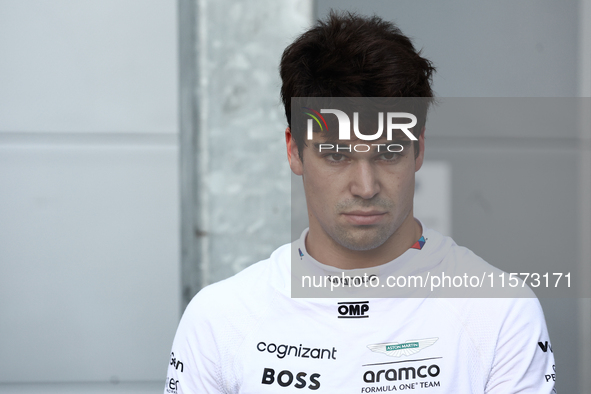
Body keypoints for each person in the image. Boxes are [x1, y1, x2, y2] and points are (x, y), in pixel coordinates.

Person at [164, 12, 556, 393]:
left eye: (388, 153)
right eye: (336, 155)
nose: (366, 187)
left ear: (418, 150)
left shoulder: (500, 312)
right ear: (294, 152)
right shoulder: (220, 318)